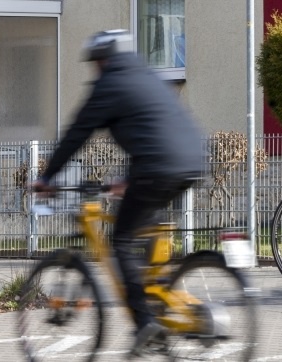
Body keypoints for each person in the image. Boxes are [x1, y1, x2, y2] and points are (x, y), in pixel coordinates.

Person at [31, 29, 206, 354]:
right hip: (191, 159)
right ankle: (160, 297)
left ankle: (144, 324)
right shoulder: (147, 77)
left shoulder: (109, 85)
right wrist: (126, 177)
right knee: (145, 225)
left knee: (121, 240)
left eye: (96, 63)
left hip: (157, 165)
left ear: (103, 60)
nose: (95, 69)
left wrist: (47, 177)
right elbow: (153, 130)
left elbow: (76, 134)